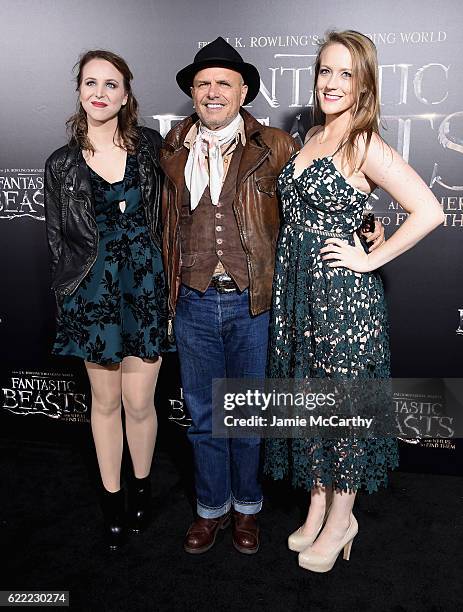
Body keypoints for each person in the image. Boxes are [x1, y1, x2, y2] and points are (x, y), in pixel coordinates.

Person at [160, 37, 385, 555]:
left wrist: (364, 223)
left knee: (253, 414)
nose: (213, 92)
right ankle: (210, 510)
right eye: (203, 84)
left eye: (225, 83)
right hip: (192, 301)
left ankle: (247, 510)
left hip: (255, 301)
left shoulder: (279, 145)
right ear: (193, 94)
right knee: (203, 415)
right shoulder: (170, 148)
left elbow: (320, 196)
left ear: (244, 93)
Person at [264, 30, 444, 572]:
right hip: (298, 295)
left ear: (365, 84)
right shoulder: (312, 138)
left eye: (345, 73)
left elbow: (430, 211)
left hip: (343, 299)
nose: (332, 82)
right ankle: (319, 504)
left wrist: (371, 257)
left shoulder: (364, 142)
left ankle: (345, 515)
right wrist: (369, 226)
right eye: (325, 71)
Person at [44, 50, 173, 550]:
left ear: (126, 93)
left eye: (111, 84)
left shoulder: (152, 150)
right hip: (93, 294)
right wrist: (71, 299)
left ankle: (142, 486)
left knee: (140, 402)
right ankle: (112, 497)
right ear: (79, 90)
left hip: (144, 287)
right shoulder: (61, 164)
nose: (100, 93)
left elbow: (168, 221)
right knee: (105, 402)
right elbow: (58, 242)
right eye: (91, 83)